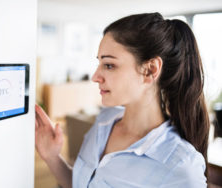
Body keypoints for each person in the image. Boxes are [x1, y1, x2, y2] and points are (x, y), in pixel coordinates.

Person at [35, 12, 210, 188]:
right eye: (99, 63)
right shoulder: (104, 122)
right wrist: (51, 156)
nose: (95, 77)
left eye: (109, 65)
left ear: (150, 70)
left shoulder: (181, 167)